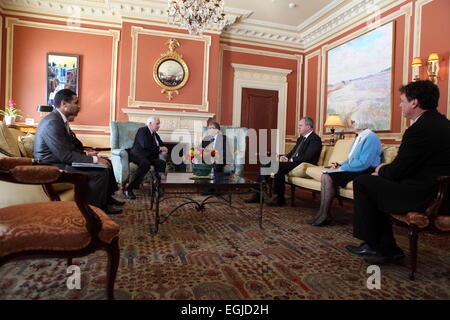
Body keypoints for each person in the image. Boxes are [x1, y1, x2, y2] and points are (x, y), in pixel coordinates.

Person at [346, 80, 450, 264]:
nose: (400, 105)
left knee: (364, 182)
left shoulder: (419, 129)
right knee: (375, 184)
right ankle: (384, 245)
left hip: (424, 194)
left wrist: (381, 170)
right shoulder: (443, 123)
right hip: (442, 192)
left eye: (402, 100)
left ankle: (378, 247)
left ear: (414, 102)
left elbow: (399, 169)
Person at [33, 89, 124, 215]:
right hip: (52, 167)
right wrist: (95, 160)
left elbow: (68, 148)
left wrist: (86, 154)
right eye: (76, 102)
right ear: (64, 104)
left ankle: (106, 200)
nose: (79, 106)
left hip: (59, 161)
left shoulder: (59, 120)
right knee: (100, 171)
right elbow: (66, 155)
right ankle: (93, 210)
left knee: (106, 163)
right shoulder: (53, 122)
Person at [309, 120, 382, 226]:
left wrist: (342, 167)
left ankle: (324, 215)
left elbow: (364, 163)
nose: (351, 124)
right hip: (355, 168)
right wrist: (339, 165)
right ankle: (323, 213)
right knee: (326, 175)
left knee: (328, 176)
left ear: (362, 122)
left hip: (365, 170)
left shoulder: (371, 137)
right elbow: (350, 159)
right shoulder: (358, 137)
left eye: (353, 122)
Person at [245, 117, 323, 206]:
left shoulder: (315, 139)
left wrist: (291, 159)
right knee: (267, 162)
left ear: (308, 127)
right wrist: (285, 157)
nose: (298, 127)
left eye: (300, 125)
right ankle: (259, 193)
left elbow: (308, 156)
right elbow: (293, 152)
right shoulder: (300, 139)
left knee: (278, 166)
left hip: (304, 164)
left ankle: (278, 198)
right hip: (294, 162)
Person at [124, 117, 168, 200]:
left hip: (148, 156)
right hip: (137, 154)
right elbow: (145, 145)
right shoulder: (142, 130)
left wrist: (164, 149)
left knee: (161, 163)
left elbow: (162, 145)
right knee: (146, 164)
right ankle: (129, 189)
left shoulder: (155, 135)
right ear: (150, 123)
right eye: (157, 124)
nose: (159, 126)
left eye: (159, 124)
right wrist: (160, 149)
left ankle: (156, 187)